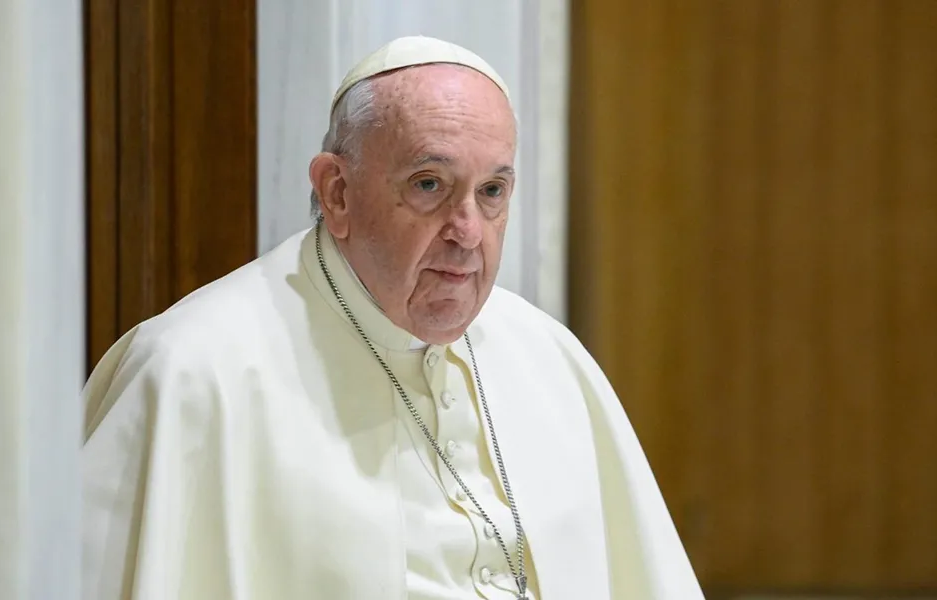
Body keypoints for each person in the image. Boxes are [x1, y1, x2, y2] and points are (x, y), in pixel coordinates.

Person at [82, 36, 704, 600]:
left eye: (491, 193)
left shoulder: (549, 360)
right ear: (337, 193)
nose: (467, 233)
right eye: (429, 185)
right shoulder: (192, 372)